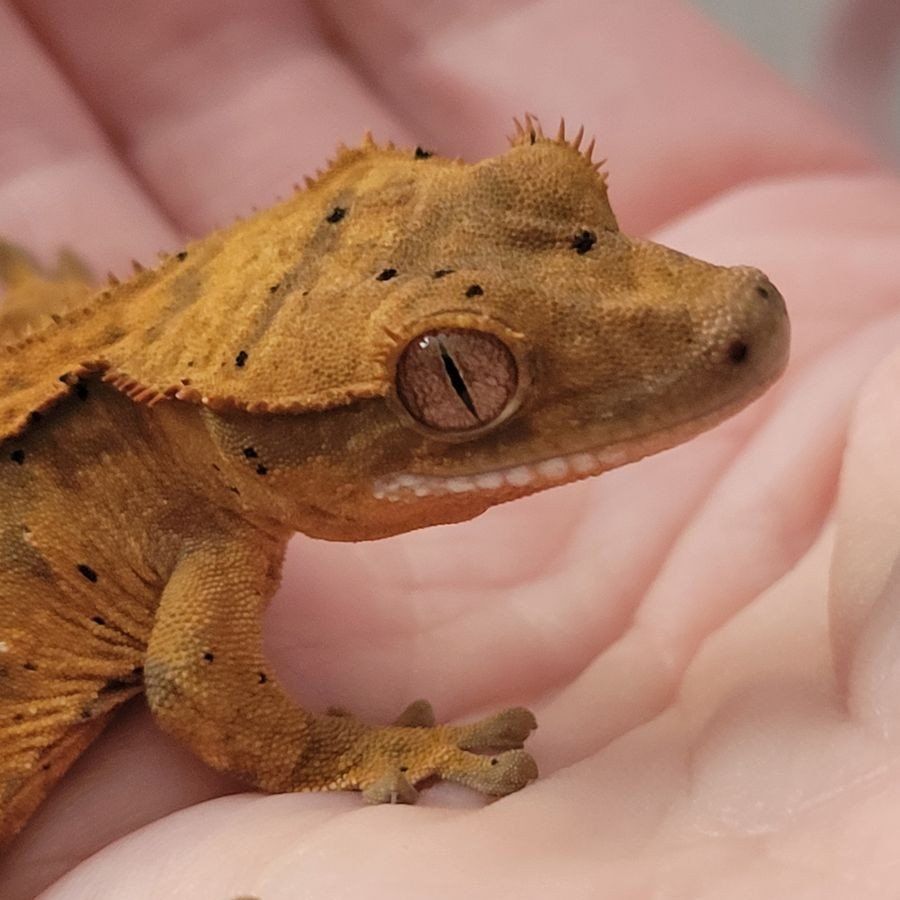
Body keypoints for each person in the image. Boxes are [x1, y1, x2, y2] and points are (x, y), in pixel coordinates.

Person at [1, 2, 898, 897]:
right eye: (461, 383)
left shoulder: (153, 401)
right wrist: (355, 754)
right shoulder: (204, 523)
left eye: (557, 191)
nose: (730, 319)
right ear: (251, 442)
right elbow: (201, 696)